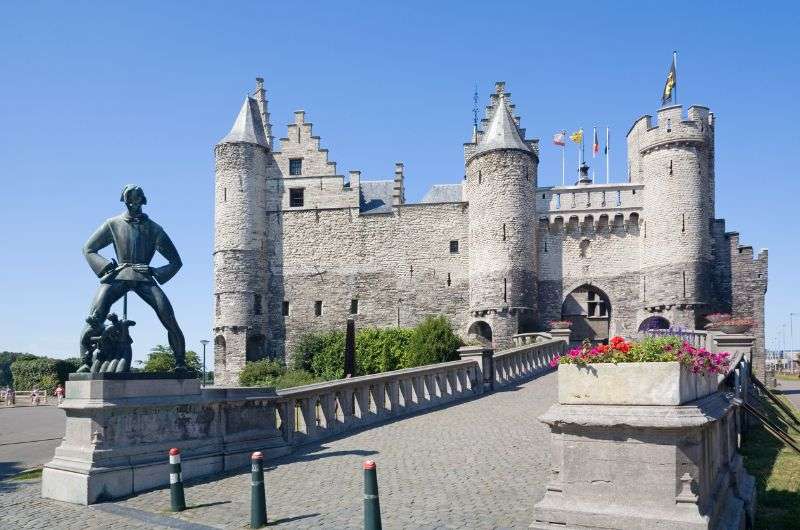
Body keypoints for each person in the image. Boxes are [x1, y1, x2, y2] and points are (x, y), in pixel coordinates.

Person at [78, 185, 187, 373]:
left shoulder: (154, 229)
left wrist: (153, 271)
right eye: (129, 199)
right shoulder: (113, 224)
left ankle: (180, 363)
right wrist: (106, 267)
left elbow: (176, 261)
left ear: (143, 200)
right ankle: (86, 362)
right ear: (124, 200)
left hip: (144, 278)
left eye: (136, 199)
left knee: (168, 317)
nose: (132, 202)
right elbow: (88, 248)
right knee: (94, 317)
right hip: (119, 275)